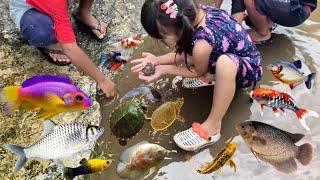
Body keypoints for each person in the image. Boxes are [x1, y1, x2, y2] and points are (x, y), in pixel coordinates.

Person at [131, 0, 262, 151]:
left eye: (162, 37)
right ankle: (213, 77)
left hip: (246, 72)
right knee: (209, 58)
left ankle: (213, 126)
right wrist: (157, 60)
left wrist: (164, 69)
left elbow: (196, 71)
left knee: (224, 64)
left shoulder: (201, 43)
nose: (162, 41)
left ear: (173, 31)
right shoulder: (197, 14)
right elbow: (185, 52)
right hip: (223, 55)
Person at [9, 0, 117, 97]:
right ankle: (52, 43)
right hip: (28, 7)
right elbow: (69, 48)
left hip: (54, 4)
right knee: (42, 32)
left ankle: (83, 12)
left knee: (60, 19)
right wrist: (102, 80)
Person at [244, 0, 317, 44]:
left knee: (250, 1)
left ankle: (262, 34)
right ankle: (267, 25)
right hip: (303, 8)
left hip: (297, 10)